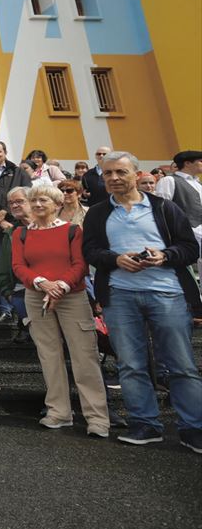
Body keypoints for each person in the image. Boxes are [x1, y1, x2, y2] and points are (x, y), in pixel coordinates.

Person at [82, 151, 201, 452]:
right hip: (119, 295)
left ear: (136, 174)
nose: (113, 179)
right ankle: (145, 424)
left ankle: (194, 428)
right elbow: (91, 252)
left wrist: (165, 256)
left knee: (181, 364)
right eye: (107, 174)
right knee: (131, 365)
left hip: (168, 293)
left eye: (120, 172)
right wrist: (116, 259)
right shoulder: (96, 213)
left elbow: (189, 248)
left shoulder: (164, 208)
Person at [12, 184, 108, 437]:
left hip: (72, 297)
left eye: (43, 200)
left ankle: (97, 418)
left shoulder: (73, 231)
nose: (38, 204)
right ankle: (59, 412)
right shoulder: (20, 233)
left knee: (84, 356)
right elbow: (19, 266)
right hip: (35, 296)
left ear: (57, 204)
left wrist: (60, 287)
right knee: (49, 356)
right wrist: (42, 283)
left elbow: (80, 264)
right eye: (34, 201)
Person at [0, 188, 34, 343]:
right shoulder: (12, 233)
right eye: (11, 203)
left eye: (19, 201)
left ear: (32, 201)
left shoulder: (51, 227)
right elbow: (3, 266)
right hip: (20, 291)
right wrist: (8, 293)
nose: (14, 206)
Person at [156, 150, 202, 267]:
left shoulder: (198, 183)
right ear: (187, 163)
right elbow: (161, 209)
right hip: (186, 234)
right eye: (200, 161)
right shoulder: (169, 180)